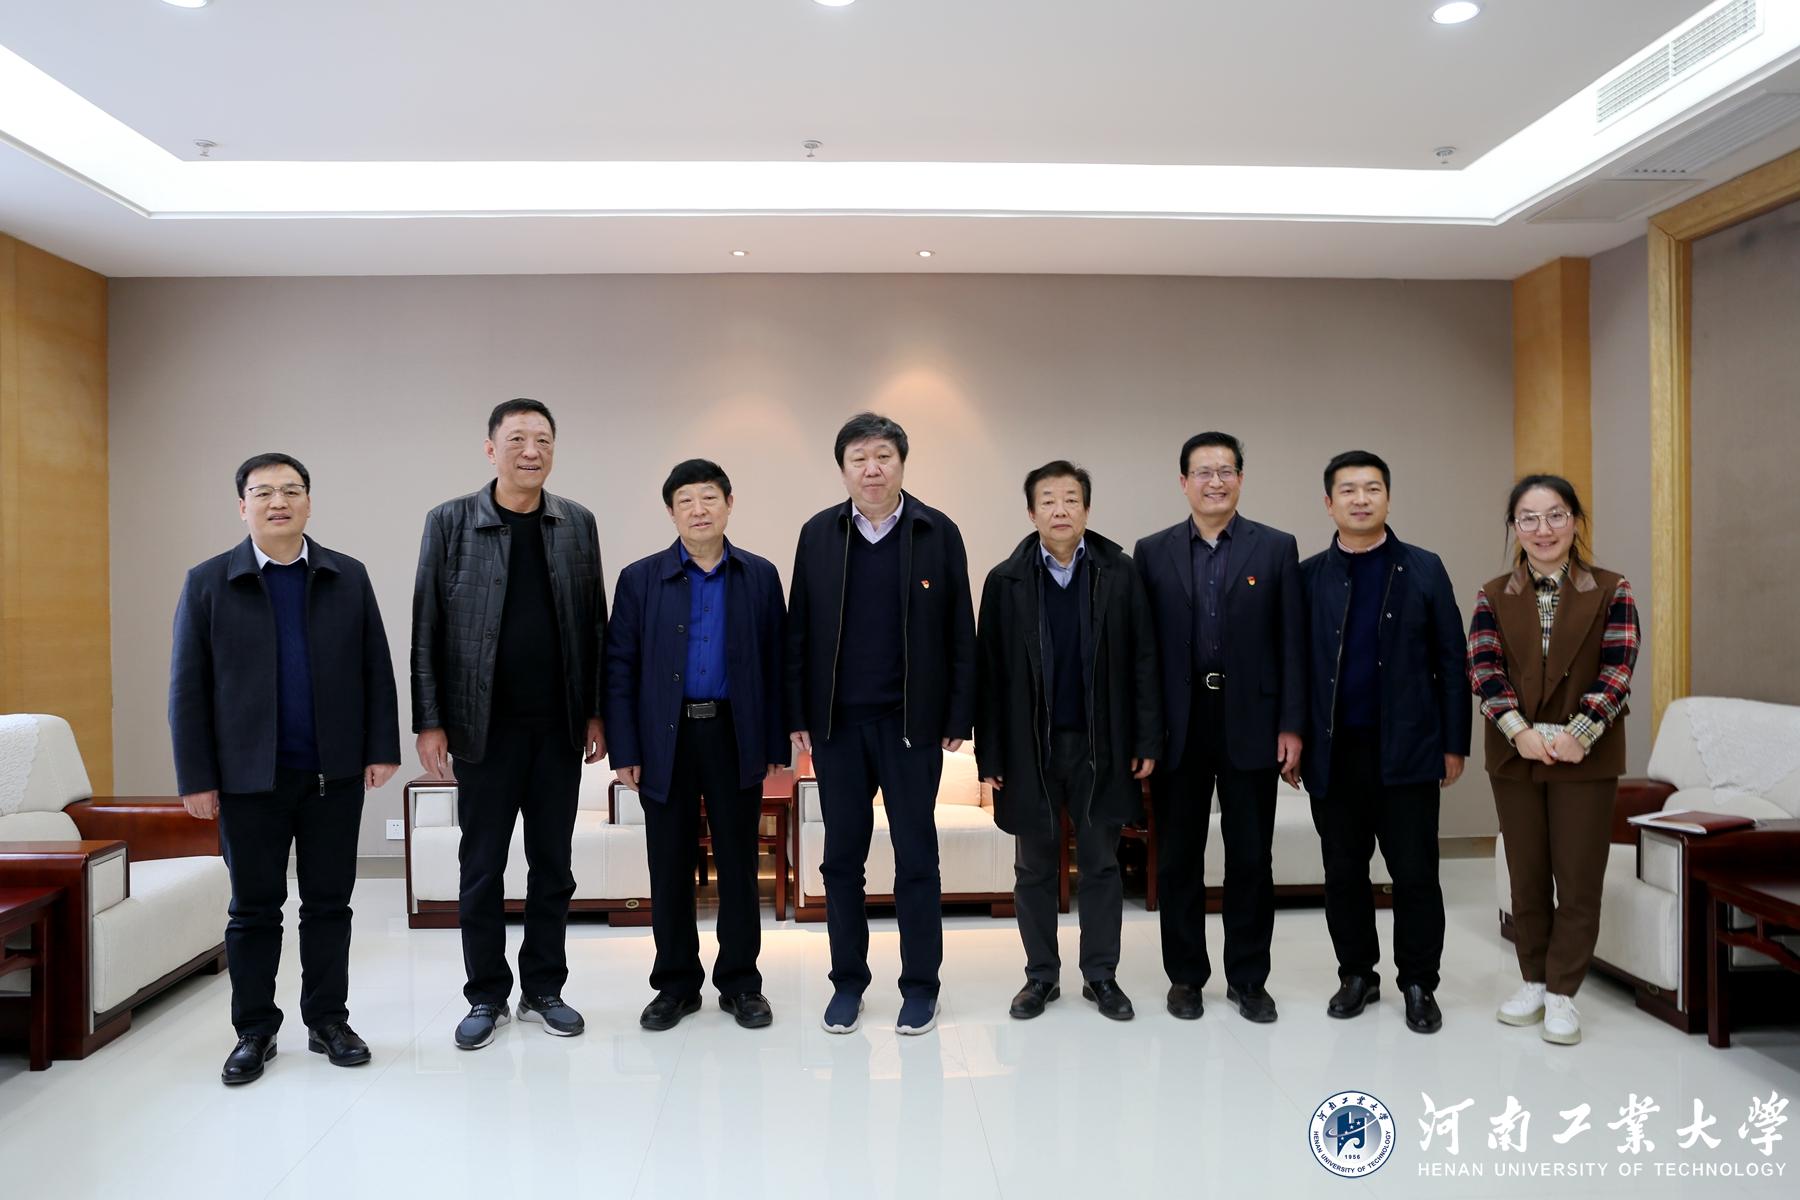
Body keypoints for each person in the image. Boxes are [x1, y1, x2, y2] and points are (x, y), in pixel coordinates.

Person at [169, 452, 400, 1086]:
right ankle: (254, 1031)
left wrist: (381, 746)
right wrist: (196, 777)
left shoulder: (346, 576)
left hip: (332, 776)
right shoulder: (209, 582)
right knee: (253, 910)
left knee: (329, 905)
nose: (279, 501)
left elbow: (375, 667)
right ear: (242, 506)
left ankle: (328, 1022)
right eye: (264, 492)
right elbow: (187, 688)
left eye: (292, 490)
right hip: (248, 781)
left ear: (309, 503)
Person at [411, 398, 607, 1050]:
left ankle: (544, 989)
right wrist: (430, 720)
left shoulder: (576, 523)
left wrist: (596, 710)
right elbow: (426, 624)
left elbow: (595, 624)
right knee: (481, 866)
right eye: (518, 439)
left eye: (543, 439)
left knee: (553, 866)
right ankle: (486, 995)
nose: (531, 451)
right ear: (491, 448)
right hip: (482, 730)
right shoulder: (450, 522)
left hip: (558, 728)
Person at [785, 412, 976, 1036]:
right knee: (841, 861)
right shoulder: (818, 534)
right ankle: (848, 983)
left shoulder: (937, 531)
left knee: (917, 858)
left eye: (883, 457)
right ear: (843, 469)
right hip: (838, 727)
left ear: (901, 463)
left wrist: (958, 713)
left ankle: (921, 987)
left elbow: (961, 630)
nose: (872, 469)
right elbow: (798, 630)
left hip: (909, 726)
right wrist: (798, 713)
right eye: (859, 459)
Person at [605, 459, 788, 1031]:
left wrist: (775, 741)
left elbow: (778, 662)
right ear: (671, 512)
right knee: (668, 864)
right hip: (666, 736)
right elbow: (619, 668)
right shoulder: (640, 579)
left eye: (709, 497)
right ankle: (676, 985)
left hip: (735, 733)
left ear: (729, 504)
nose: (699, 510)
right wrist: (626, 750)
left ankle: (741, 983)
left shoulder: (759, 575)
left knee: (739, 863)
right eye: (686, 500)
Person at [976, 461, 1162, 1021]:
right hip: (1029, 748)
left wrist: (1146, 738)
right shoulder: (1005, 581)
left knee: (1101, 864)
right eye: (1048, 500)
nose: (1060, 510)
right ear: (1031, 512)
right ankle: (1041, 976)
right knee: (1033, 867)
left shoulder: (1120, 573)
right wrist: (991, 754)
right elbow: (989, 674)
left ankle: (1101, 975)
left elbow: (1145, 661)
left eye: (1071, 499)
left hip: (1101, 745)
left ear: (1086, 508)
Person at [1133, 431, 1304, 1023]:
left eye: (1225, 471)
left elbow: (1291, 643)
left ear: (1241, 479)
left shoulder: (1276, 548)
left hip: (1252, 720)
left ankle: (1249, 979)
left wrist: (1291, 724)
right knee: (1178, 858)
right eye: (1203, 472)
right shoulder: (1151, 551)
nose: (1215, 482)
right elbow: (1143, 653)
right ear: (1184, 482)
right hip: (1179, 725)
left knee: (1251, 857)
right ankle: (1185, 977)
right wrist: (1145, 734)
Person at [1298, 450, 1470, 1035]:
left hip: (1410, 749)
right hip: (1333, 752)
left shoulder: (1424, 568)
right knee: (1343, 872)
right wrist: (1293, 737)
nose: (1361, 499)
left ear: (1388, 499)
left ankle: (1419, 982)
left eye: (1372, 488)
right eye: (1348, 490)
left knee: (1415, 873)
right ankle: (1357, 975)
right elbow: (1296, 666)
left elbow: (1452, 660)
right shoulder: (1309, 577)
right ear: (1329, 503)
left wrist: (1454, 742)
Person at [1467, 474, 1638, 1047]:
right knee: (1527, 874)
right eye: (1529, 518)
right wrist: (1517, 730)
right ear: (1515, 527)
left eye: (1556, 515)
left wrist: (1581, 732)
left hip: (1585, 754)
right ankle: (1534, 982)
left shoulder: (1611, 589)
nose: (1543, 529)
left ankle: (1564, 992)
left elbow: (1618, 667)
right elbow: (1483, 668)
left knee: (1579, 876)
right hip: (1514, 753)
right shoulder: (1494, 594)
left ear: (1575, 521)